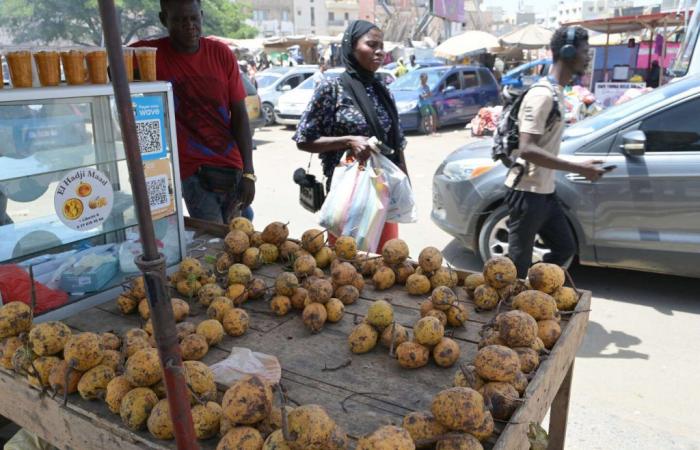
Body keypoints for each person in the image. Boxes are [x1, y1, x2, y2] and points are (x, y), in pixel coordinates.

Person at [132, 0, 255, 224]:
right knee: (215, 238)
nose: (188, 25)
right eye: (179, 20)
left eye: (193, 18)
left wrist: (248, 171)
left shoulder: (221, 53)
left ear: (201, 16)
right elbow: (110, 69)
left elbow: (239, 114)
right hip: (192, 171)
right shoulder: (150, 55)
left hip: (231, 166)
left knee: (242, 233)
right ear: (163, 20)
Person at [293, 20, 407, 252]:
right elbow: (304, 139)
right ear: (351, 47)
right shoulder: (332, 88)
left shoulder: (383, 90)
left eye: (381, 45)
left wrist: (405, 186)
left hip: (381, 196)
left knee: (387, 268)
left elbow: (397, 145)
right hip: (347, 199)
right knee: (348, 272)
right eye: (371, 44)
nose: (379, 51)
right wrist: (348, 141)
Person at [504, 26, 605, 278]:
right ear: (568, 52)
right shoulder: (542, 95)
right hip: (526, 193)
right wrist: (579, 169)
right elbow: (527, 149)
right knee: (517, 265)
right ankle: (511, 311)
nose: (588, 57)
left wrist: (578, 161)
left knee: (564, 248)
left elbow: (546, 146)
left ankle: (535, 293)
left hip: (545, 193)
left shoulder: (557, 92)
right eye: (584, 51)